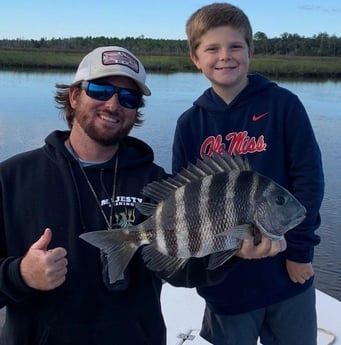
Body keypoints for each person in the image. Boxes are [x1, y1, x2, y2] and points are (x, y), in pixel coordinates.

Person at [0, 46, 286, 345]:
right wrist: (20, 275)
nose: (113, 105)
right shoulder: (11, 178)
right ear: (74, 96)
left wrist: (234, 253)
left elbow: (180, 273)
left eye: (128, 98)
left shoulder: (157, 182)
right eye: (100, 89)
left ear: (136, 110)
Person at [172, 3, 324, 345]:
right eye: (212, 48)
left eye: (235, 46)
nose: (225, 56)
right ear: (195, 58)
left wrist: (301, 253)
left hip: (287, 275)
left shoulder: (283, 105)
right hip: (225, 282)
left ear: (250, 52)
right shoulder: (189, 124)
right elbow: (184, 200)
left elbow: (309, 182)